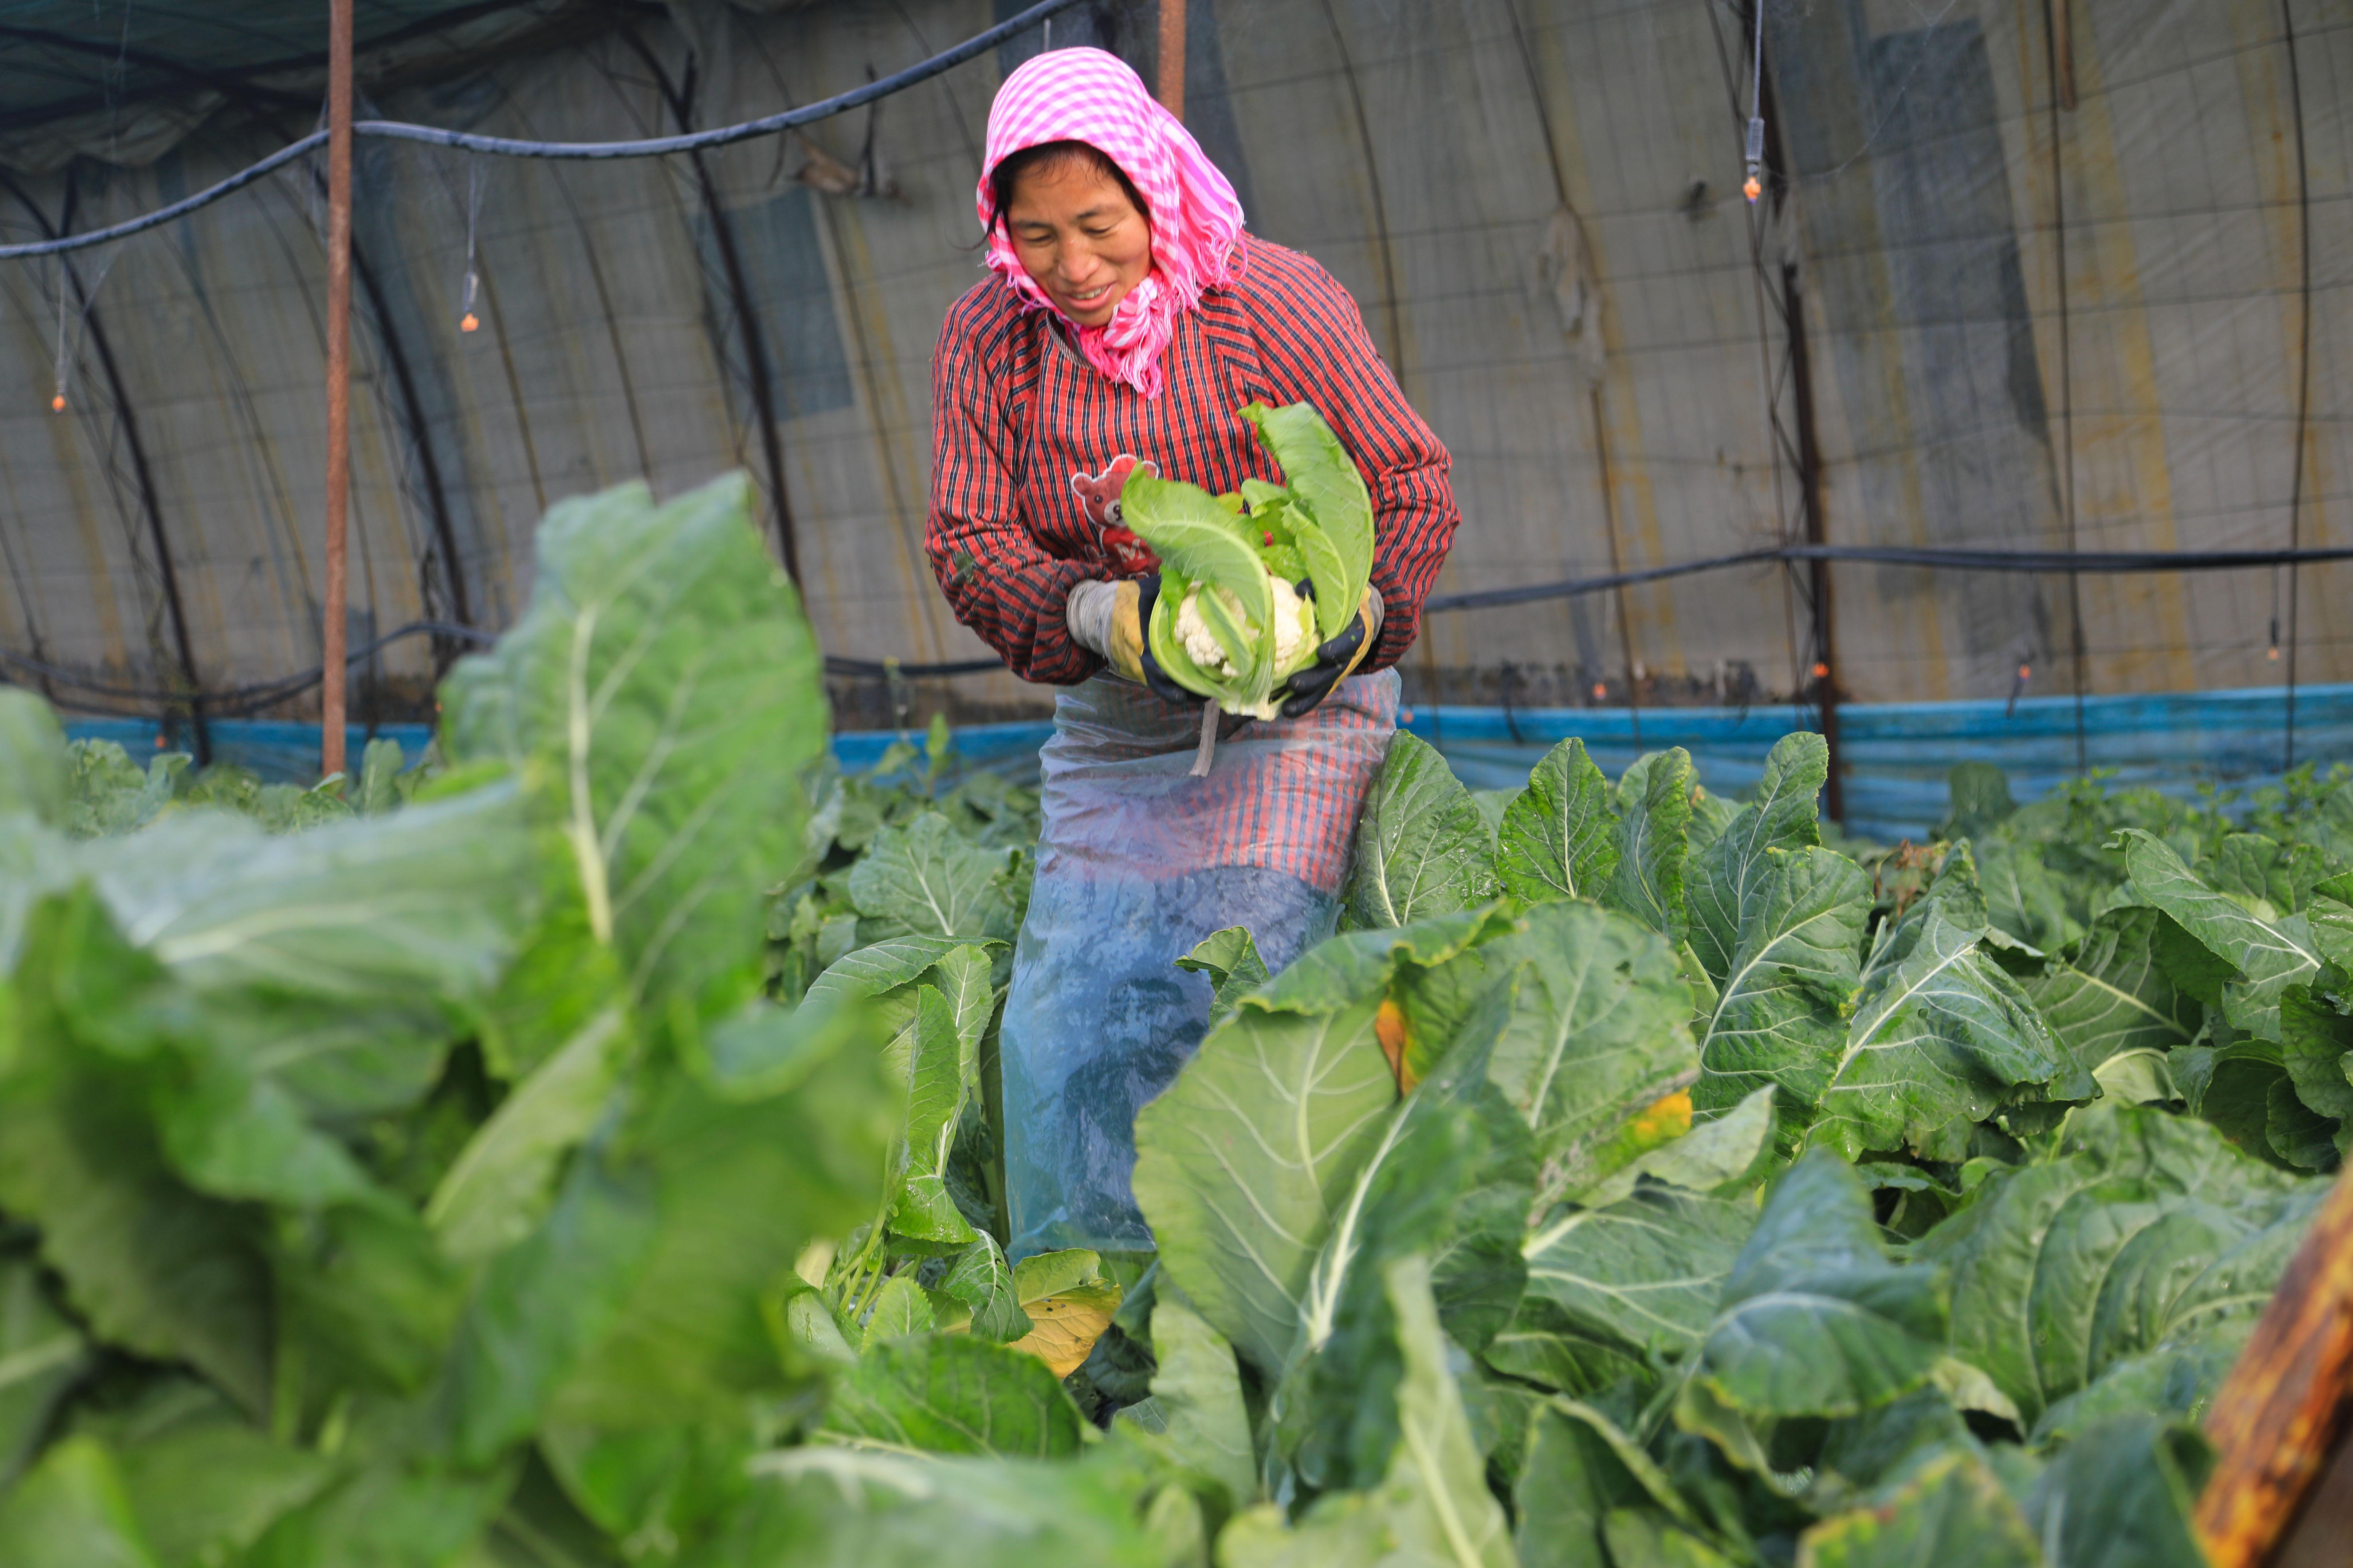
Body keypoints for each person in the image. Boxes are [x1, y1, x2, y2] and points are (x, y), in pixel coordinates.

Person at [926, 47, 1460, 1259]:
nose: (1072, 266)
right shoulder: (989, 336)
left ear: (1154, 196)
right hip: (1122, 721)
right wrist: (1093, 617)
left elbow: (1409, 482)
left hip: (1301, 715)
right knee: (1071, 1007)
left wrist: (1362, 618)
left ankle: (1267, 1277)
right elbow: (966, 538)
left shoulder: (1266, 299)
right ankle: (1092, 1303)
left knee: (1252, 977)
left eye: (1099, 226)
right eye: (1037, 234)